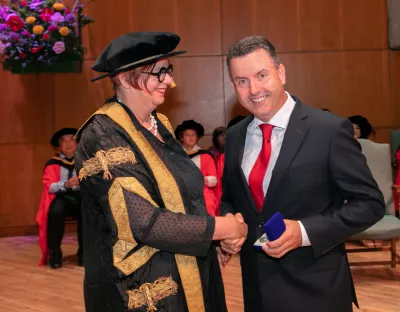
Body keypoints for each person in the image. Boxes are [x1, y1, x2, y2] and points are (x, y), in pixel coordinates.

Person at [74, 32, 247, 312]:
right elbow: (143, 221)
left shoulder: (159, 124)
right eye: (160, 72)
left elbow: (184, 198)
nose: (170, 80)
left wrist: (214, 239)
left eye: (169, 70)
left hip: (190, 267)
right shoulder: (101, 135)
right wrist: (222, 228)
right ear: (125, 77)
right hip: (140, 286)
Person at [219, 35, 385, 312]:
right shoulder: (235, 135)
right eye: (242, 81)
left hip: (316, 290)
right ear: (233, 85)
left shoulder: (329, 130)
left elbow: (370, 204)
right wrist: (229, 223)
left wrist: (305, 231)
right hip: (256, 289)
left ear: (281, 73)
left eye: (262, 75)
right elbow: (231, 198)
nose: (254, 89)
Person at [36, 128, 83, 269]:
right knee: (56, 211)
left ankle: (85, 254)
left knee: (88, 212)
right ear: (59, 146)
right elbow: (49, 186)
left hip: (80, 197)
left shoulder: (85, 162)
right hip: (61, 196)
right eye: (64, 140)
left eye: (71, 139)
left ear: (77, 143)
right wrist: (66, 184)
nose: (68, 143)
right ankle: (54, 254)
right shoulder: (52, 163)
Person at [175, 120, 220, 216]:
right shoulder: (175, 156)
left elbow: (214, 180)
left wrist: (201, 180)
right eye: (187, 135)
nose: (191, 138)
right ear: (181, 137)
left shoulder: (206, 155)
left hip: (202, 191)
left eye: (194, 135)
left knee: (208, 203)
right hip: (181, 191)